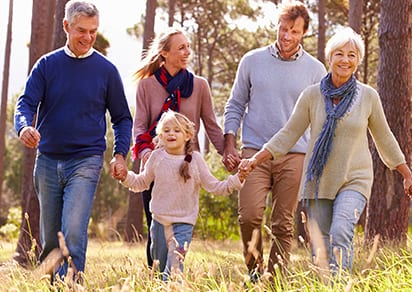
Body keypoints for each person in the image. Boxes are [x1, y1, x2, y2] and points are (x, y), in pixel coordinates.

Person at [238, 27, 412, 274]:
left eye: (352, 55)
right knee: (320, 247)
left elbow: (385, 138)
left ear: (358, 61)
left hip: (355, 179)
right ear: (330, 58)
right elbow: (289, 134)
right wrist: (256, 159)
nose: (345, 60)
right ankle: (325, 284)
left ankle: (340, 285)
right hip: (319, 180)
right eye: (340, 54)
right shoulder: (311, 96)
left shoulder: (368, 96)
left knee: (341, 230)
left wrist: (406, 174)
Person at [13, 0, 132, 281]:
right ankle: (54, 283)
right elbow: (25, 103)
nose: (88, 37)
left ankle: (72, 285)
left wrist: (119, 154)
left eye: (93, 31)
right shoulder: (47, 65)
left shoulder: (106, 71)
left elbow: (122, 118)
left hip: (86, 160)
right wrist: (23, 128)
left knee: (74, 232)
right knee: (52, 238)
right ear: (66, 26)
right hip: (48, 161)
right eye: (81, 30)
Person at [222, 0, 326, 279]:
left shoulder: (315, 70)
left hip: (295, 154)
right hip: (254, 152)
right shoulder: (252, 61)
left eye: (294, 31)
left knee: (282, 223)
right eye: (283, 29)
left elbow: (321, 117)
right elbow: (235, 104)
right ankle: (255, 273)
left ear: (304, 33)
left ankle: (275, 280)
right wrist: (229, 143)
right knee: (250, 216)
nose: (287, 36)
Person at [132, 27, 231, 268]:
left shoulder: (199, 86)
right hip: (156, 166)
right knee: (156, 229)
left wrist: (227, 154)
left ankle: (173, 277)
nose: (188, 52)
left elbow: (211, 125)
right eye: (181, 48)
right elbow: (140, 126)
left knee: (180, 229)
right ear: (164, 53)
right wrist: (147, 156)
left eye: (188, 46)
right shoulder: (146, 86)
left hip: (187, 167)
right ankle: (156, 278)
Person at [117, 111, 244, 280]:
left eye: (177, 130)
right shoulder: (157, 157)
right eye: (167, 130)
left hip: (183, 224)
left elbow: (216, 187)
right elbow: (141, 182)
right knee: (160, 269)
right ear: (161, 135)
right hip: (159, 223)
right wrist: (126, 176)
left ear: (188, 135)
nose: (171, 134)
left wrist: (237, 179)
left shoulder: (195, 161)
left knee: (174, 269)